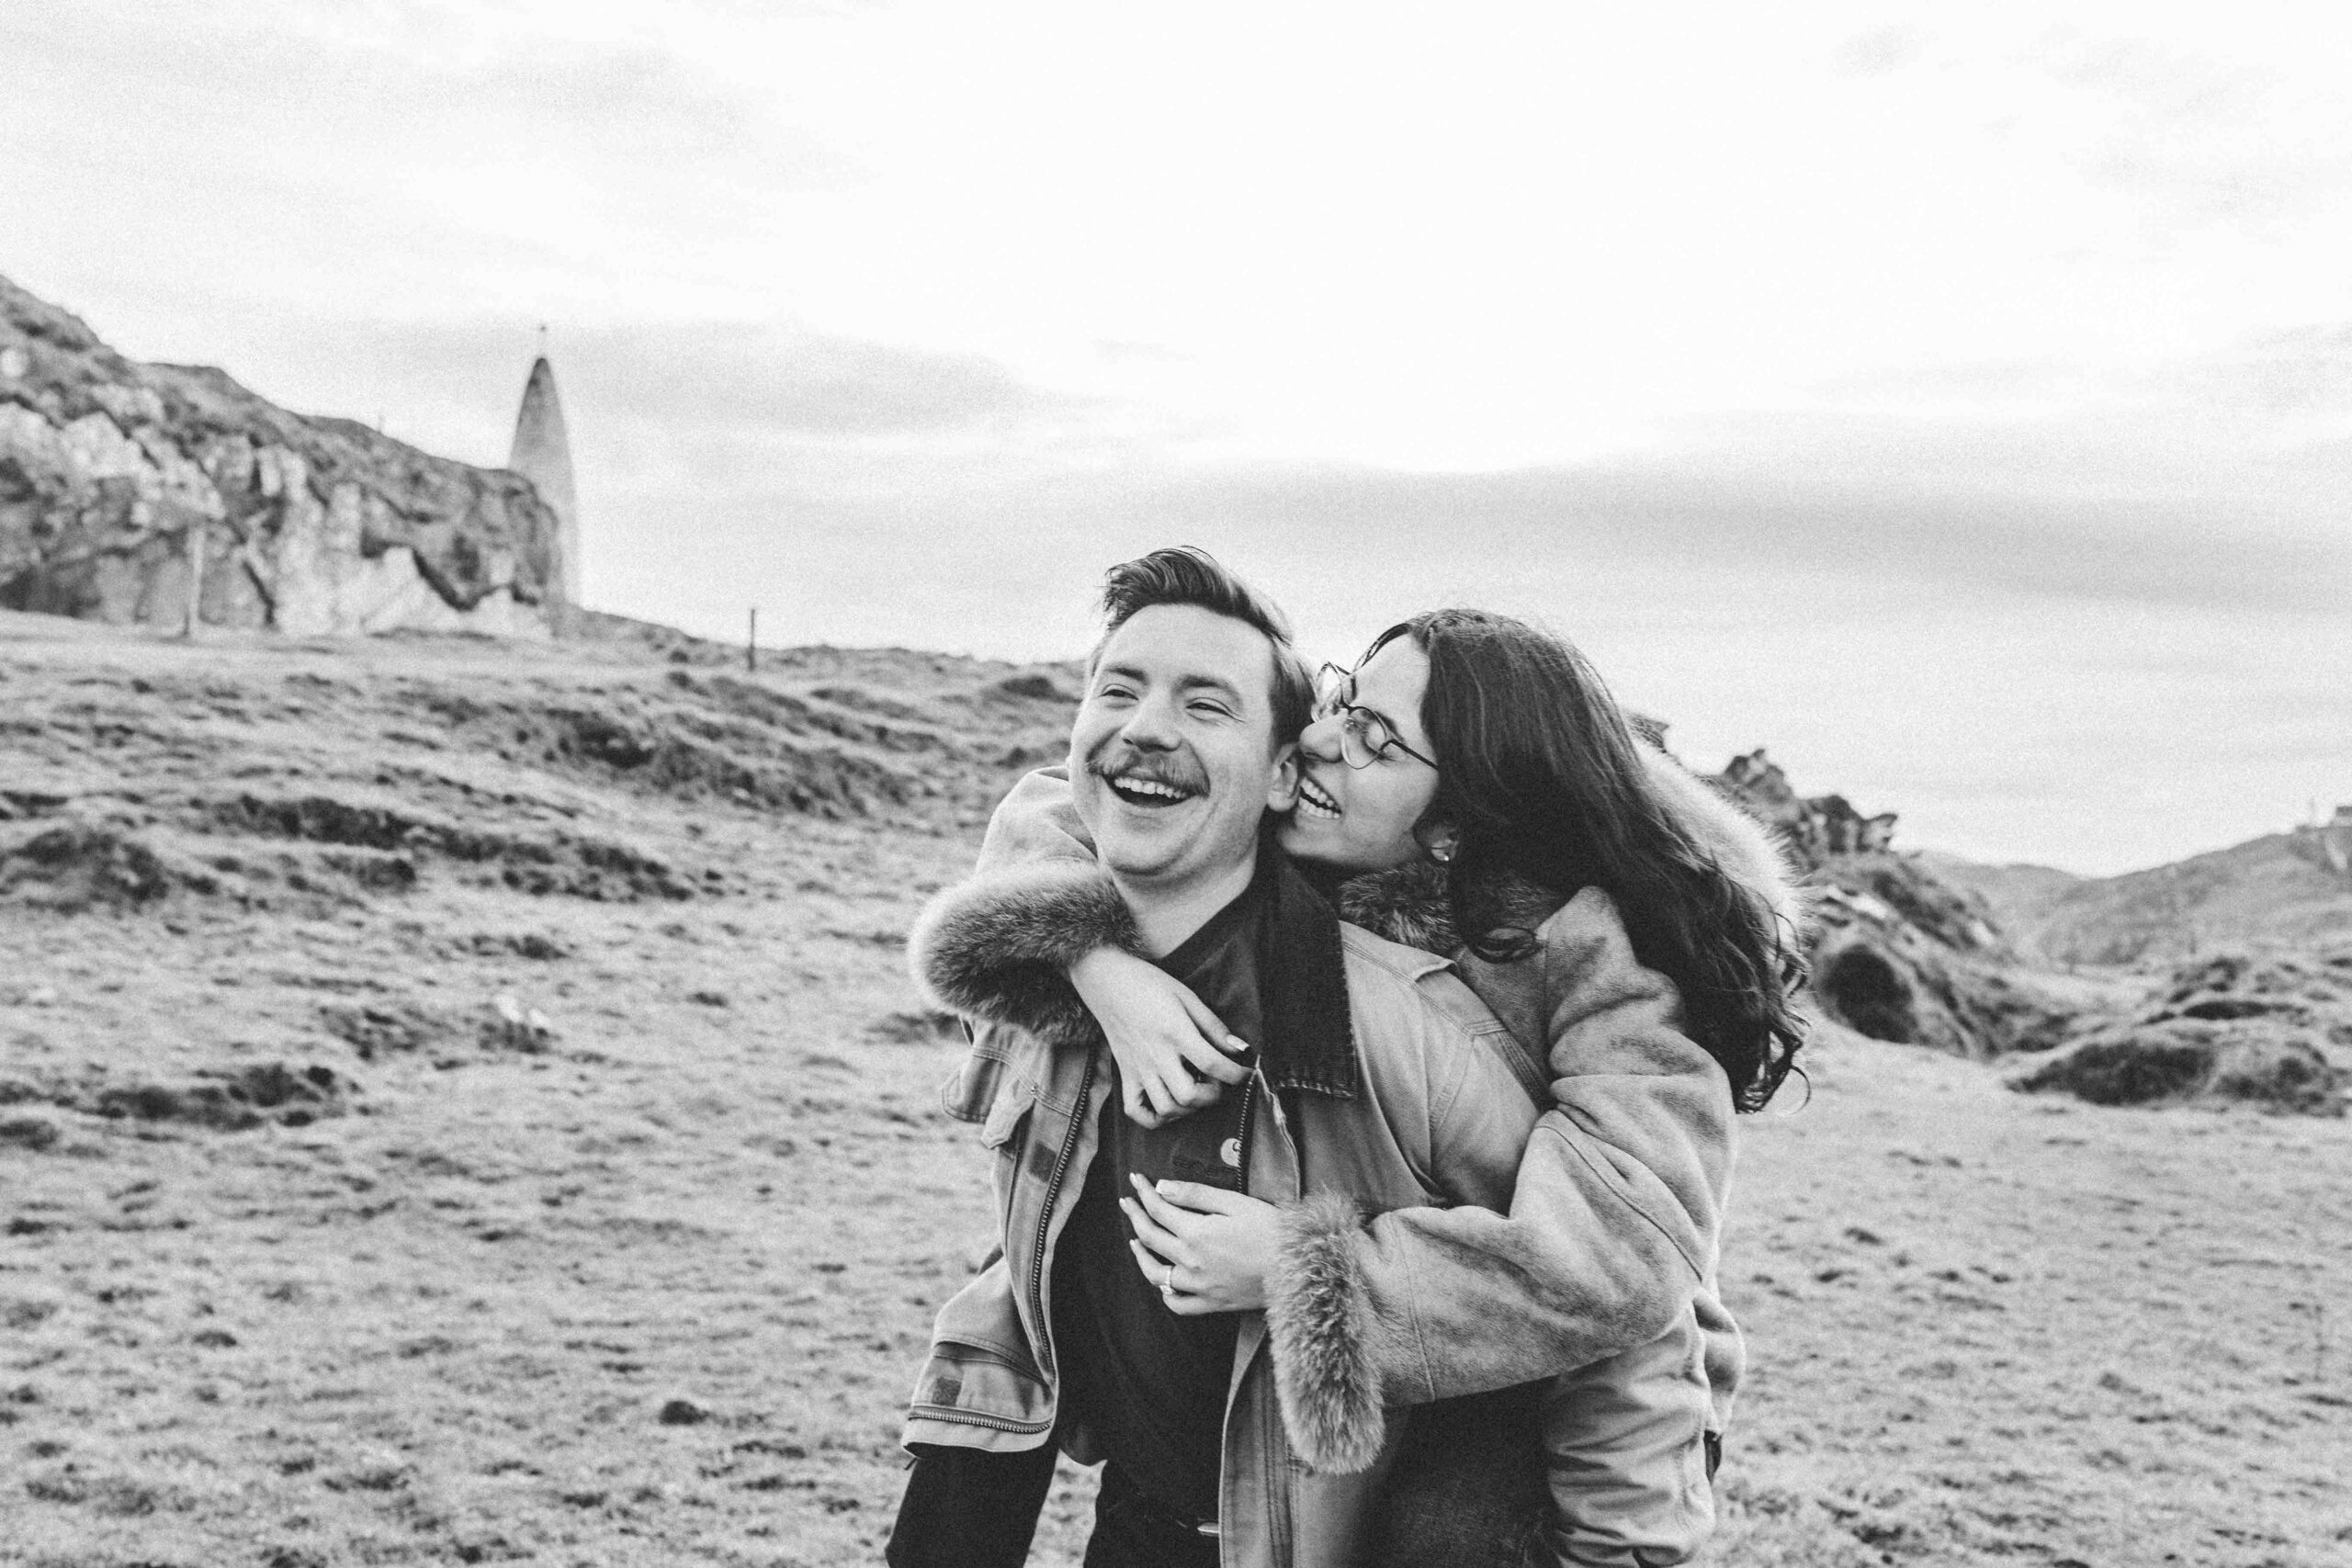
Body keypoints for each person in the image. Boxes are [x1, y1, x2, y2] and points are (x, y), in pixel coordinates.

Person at [912, 581, 1805, 1564]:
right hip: (1298, 1423)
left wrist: (1301, 1270)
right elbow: (1058, 802)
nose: (1323, 743)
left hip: (1581, 1397)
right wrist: (1095, 958)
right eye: (1343, 701)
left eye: (1377, 740)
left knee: (1450, 1529)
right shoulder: (1337, 845)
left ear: (1457, 825)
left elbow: (1619, 1274)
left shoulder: (1603, 966)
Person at [888, 549, 1547, 1568]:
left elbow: (1571, 1293)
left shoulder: (1409, 1035)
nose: (1146, 726)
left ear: (1287, 774)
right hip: (1141, 1520)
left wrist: (1307, 1265)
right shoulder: (1036, 983)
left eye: (1206, 705)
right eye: (1118, 689)